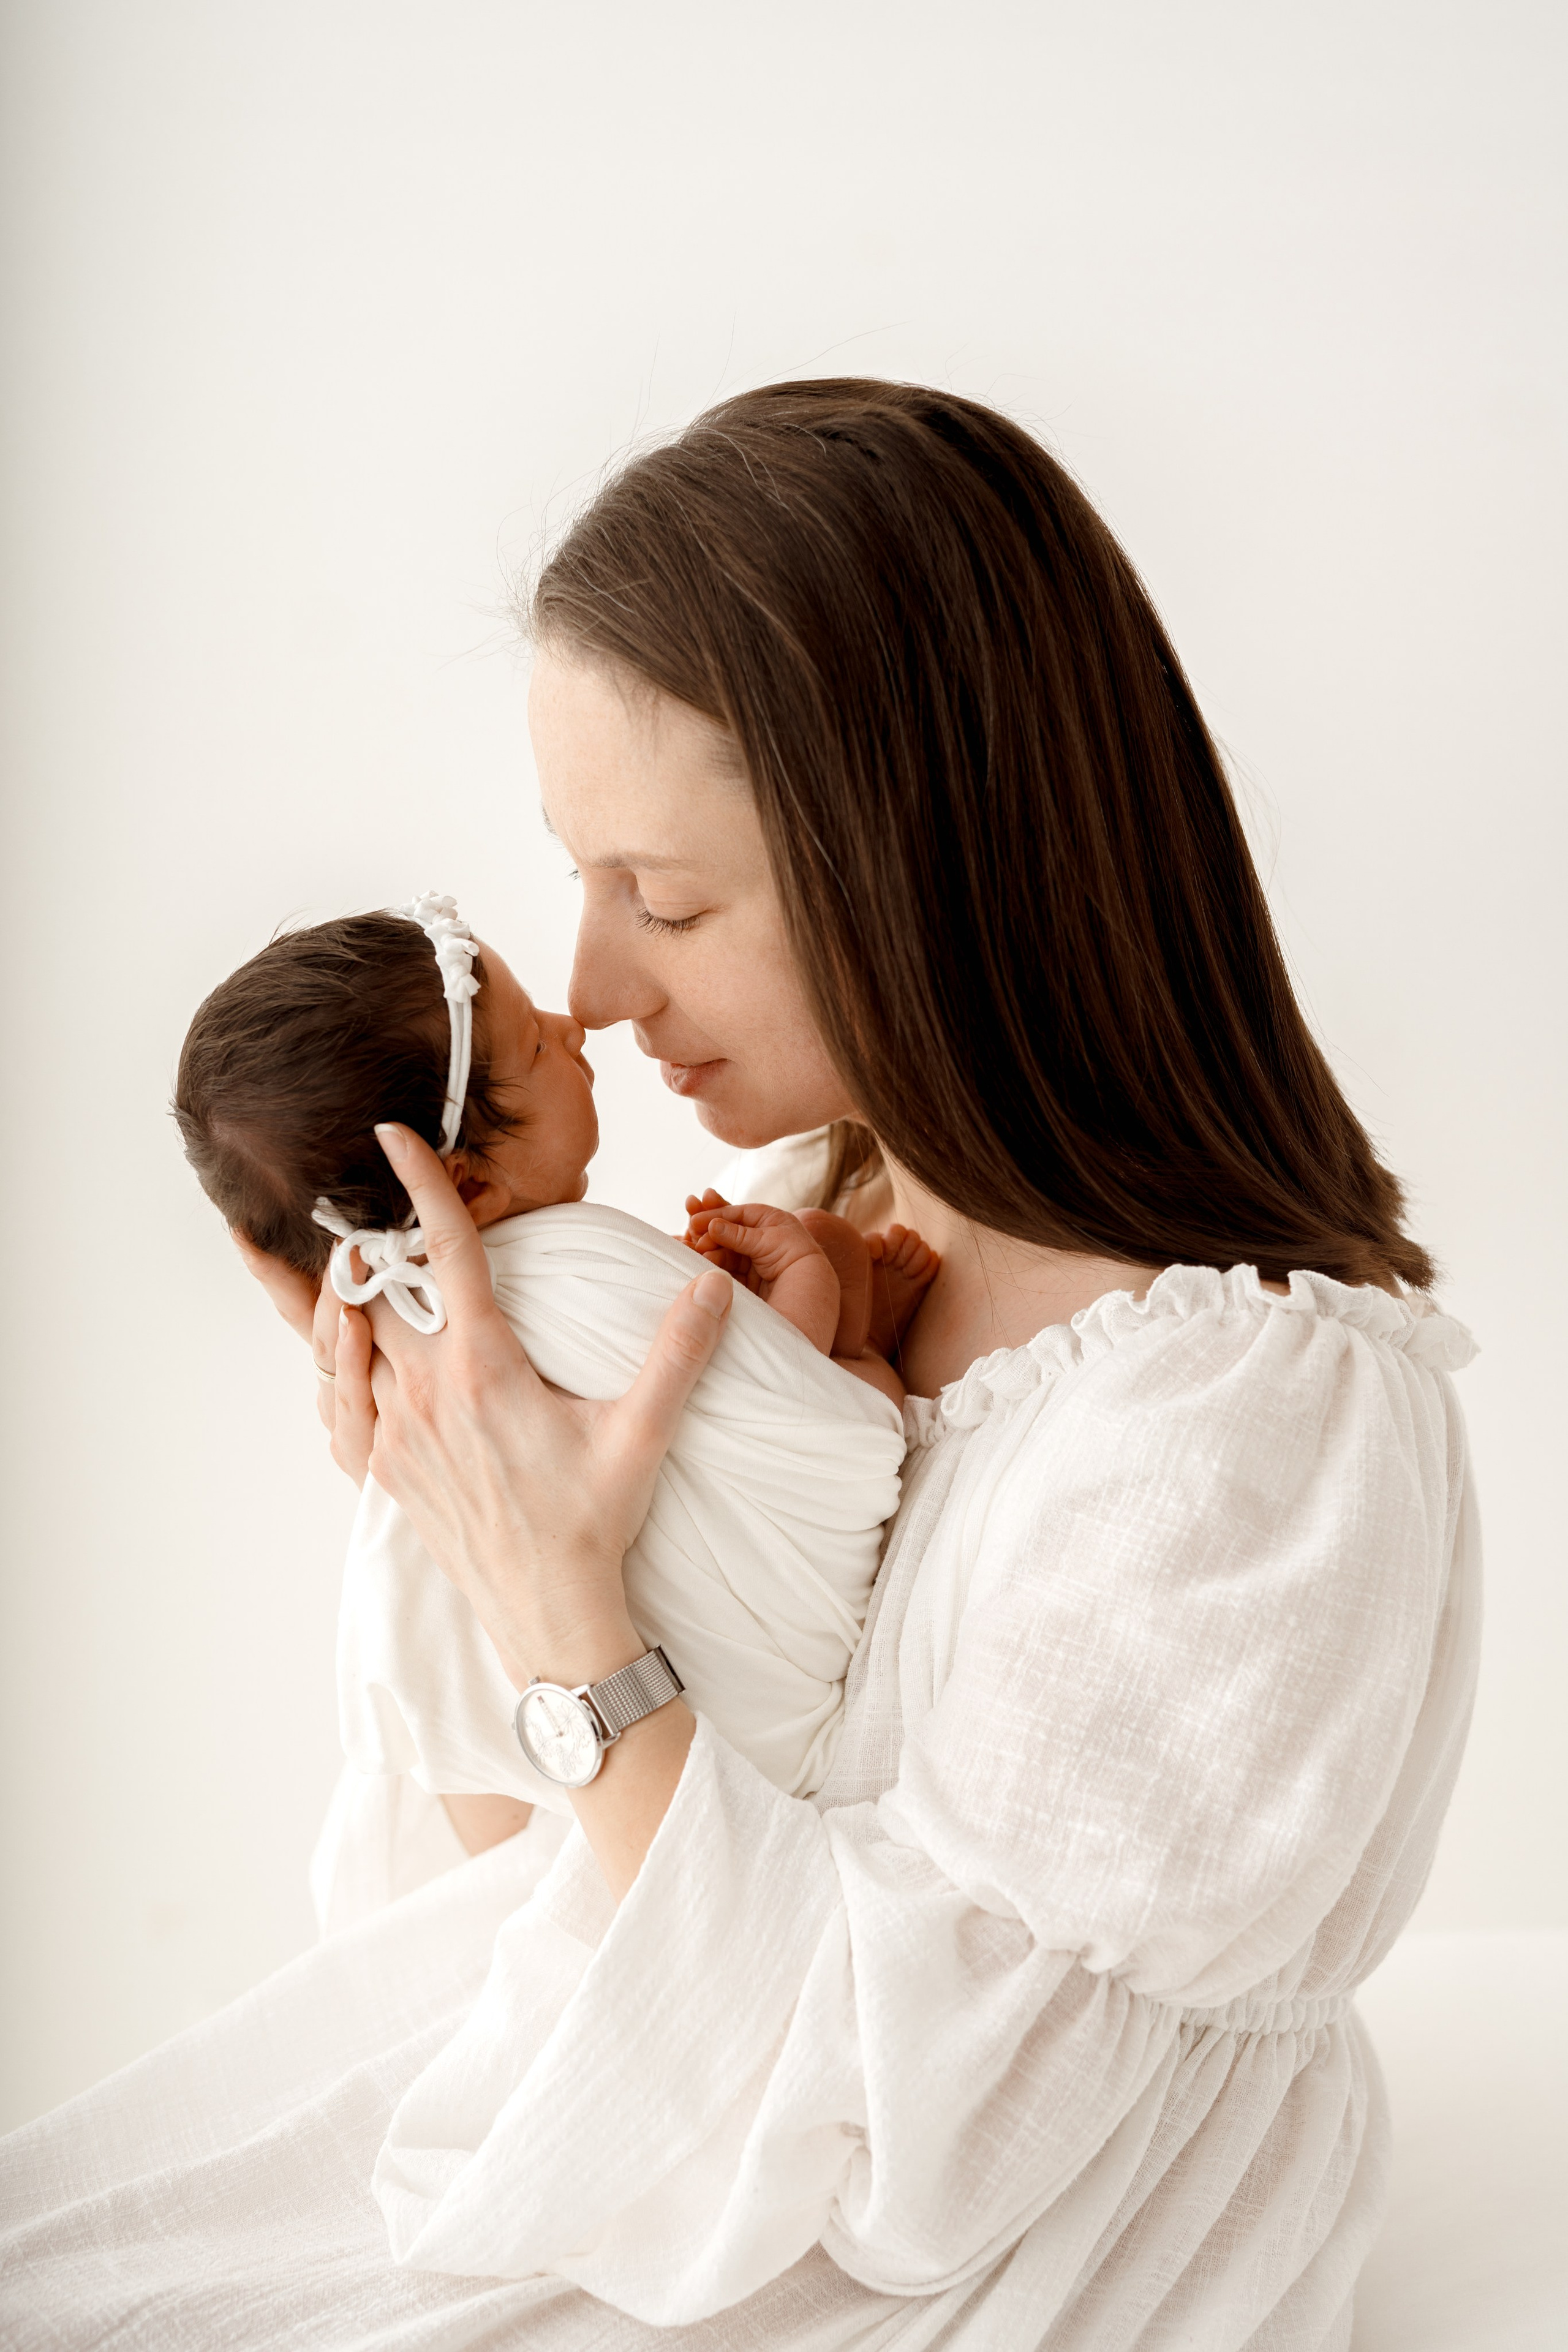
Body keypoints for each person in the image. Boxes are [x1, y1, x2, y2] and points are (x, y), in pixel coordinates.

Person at [0, 380, 1479, 2351]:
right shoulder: (797, 1229)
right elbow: (491, 1928)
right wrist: (444, 1541)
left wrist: (571, 1620)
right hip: (633, 2158)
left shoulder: (1250, 1426)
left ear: (932, 872)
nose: (593, 990)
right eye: (580, 875)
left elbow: (927, 2153)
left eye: (668, 900)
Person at [170, 892, 922, 1904]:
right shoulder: (581, 1261)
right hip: (750, 1703)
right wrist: (823, 1294)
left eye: (666, 901)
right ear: (470, 1189)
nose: (577, 1022)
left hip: (637, 1773)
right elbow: (804, 1411)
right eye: (533, 1043)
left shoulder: (412, 1340)